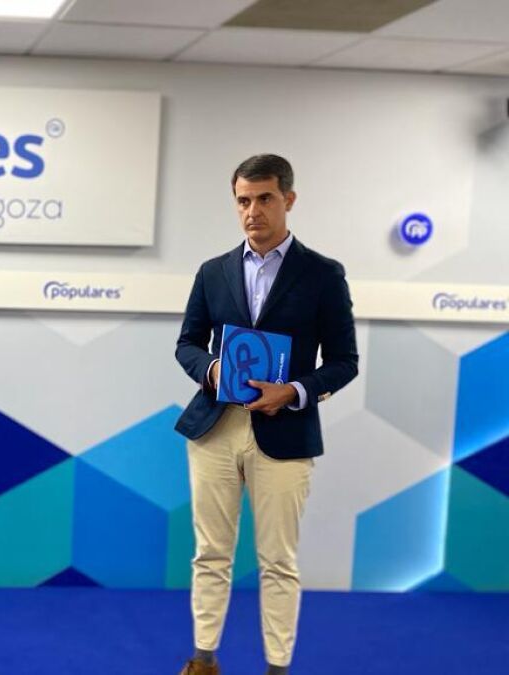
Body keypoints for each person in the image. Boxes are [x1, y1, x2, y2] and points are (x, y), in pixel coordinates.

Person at [173, 154, 358, 675]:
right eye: (243, 201)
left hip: (286, 431)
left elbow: (344, 362)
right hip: (215, 428)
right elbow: (187, 344)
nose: (252, 211)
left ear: (288, 200)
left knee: (278, 560)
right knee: (210, 553)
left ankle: (277, 668)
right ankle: (203, 661)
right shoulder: (213, 272)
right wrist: (212, 369)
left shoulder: (323, 275)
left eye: (264, 199)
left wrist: (294, 391)